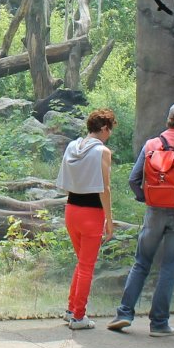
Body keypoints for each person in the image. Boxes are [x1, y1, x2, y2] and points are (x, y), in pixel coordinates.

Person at [108, 102, 174, 336]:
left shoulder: (151, 145)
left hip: (155, 212)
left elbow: (133, 179)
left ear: (168, 120)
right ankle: (158, 324)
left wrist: (145, 197)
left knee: (141, 262)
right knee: (169, 267)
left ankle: (124, 314)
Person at [54, 109, 116, 330]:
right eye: (110, 129)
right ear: (104, 128)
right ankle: (79, 317)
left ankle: (72, 309)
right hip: (92, 213)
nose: (110, 134)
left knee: (82, 263)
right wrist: (109, 220)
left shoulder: (72, 146)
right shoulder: (102, 151)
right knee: (87, 266)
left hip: (71, 210)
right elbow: (105, 189)